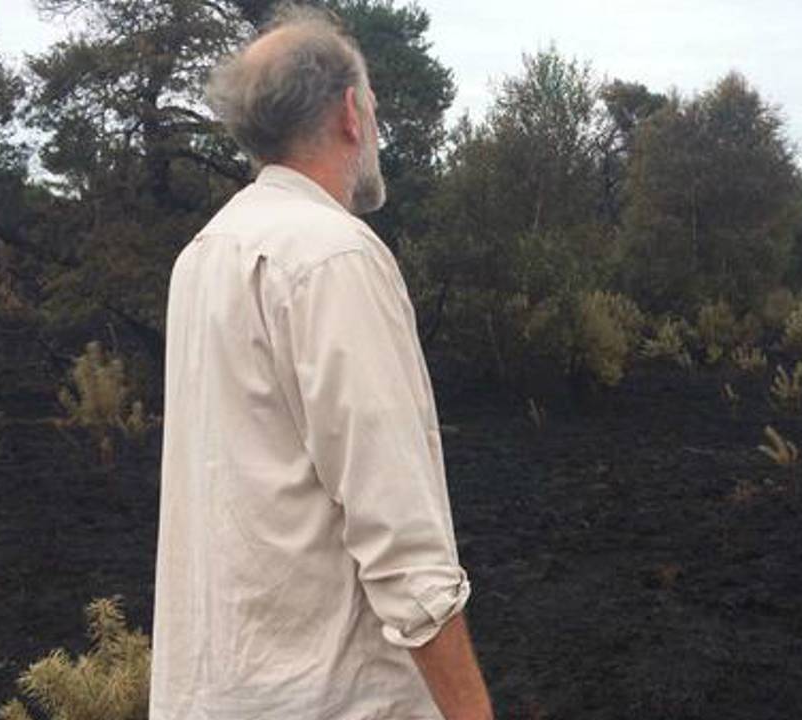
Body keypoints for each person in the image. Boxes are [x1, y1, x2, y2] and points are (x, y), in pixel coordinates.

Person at [149, 5, 492, 720]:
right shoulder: (333, 256)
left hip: (217, 696)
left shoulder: (203, 255)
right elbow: (401, 538)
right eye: (373, 108)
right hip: (335, 700)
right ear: (350, 114)